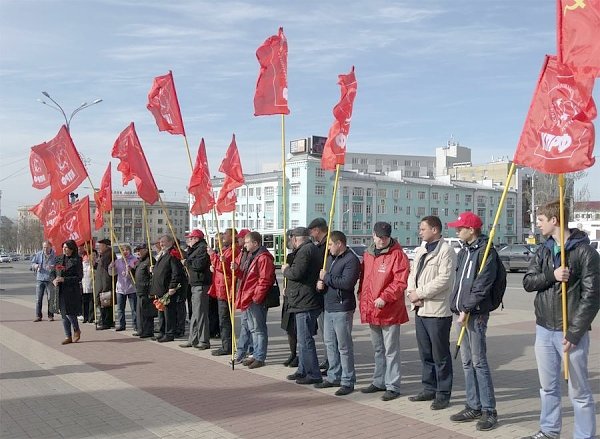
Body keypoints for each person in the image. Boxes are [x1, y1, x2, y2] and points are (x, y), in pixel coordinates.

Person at [522, 201, 599, 439]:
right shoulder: (544, 249)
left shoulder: (585, 252)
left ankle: (583, 435)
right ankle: (549, 430)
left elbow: (593, 295)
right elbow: (528, 282)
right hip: (544, 328)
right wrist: (552, 275)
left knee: (578, 390)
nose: (537, 224)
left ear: (554, 220)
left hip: (570, 332)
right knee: (548, 387)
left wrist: (575, 331)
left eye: (541, 220)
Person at [448, 211, 499, 431]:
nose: (457, 231)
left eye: (460, 228)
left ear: (471, 229)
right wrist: (457, 307)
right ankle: (473, 405)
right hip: (461, 313)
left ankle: (489, 410)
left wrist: (467, 308)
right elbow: (460, 282)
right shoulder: (464, 252)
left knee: (479, 362)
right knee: (467, 362)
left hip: (475, 314)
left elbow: (482, 284)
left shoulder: (486, 252)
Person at [406, 216, 457, 410]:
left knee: (440, 354)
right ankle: (429, 388)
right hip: (420, 309)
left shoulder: (446, 251)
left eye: (423, 229)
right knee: (425, 352)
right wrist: (411, 293)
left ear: (435, 230)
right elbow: (413, 274)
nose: (420, 232)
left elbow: (444, 280)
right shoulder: (421, 250)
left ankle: (443, 393)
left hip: (437, 310)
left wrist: (419, 293)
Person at [359, 221, 410, 401]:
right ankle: (379, 381)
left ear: (389, 237)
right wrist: (362, 298)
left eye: (385, 237)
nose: (381, 240)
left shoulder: (398, 255)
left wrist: (385, 297)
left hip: (388, 310)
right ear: (373, 235)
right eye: (379, 237)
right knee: (378, 349)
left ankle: (393, 385)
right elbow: (364, 280)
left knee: (391, 350)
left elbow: (400, 282)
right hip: (372, 309)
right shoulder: (368, 254)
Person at [315, 231, 360, 396]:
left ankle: (348, 380)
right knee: (330, 344)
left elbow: (347, 283)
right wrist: (320, 283)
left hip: (342, 307)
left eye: (330, 245)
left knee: (344, 346)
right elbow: (325, 278)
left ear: (339, 243)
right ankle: (334, 375)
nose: (328, 248)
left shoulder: (351, 260)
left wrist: (326, 278)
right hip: (329, 307)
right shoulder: (330, 259)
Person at [282, 227, 323, 385]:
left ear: (295, 238)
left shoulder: (305, 251)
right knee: (302, 339)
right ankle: (303, 369)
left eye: (291, 239)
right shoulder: (308, 249)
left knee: (305, 340)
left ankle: (313, 373)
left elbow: (296, 273)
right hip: (303, 299)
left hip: (305, 301)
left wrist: (286, 270)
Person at [233, 231, 275, 369]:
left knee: (259, 329)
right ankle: (256, 354)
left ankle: (260, 356)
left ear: (255, 243)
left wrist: (256, 297)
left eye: (246, 242)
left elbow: (265, 280)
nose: (244, 245)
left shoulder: (263, 258)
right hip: (248, 297)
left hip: (255, 298)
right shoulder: (251, 256)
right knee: (253, 328)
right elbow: (245, 276)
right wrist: (237, 270)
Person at [207, 228, 240, 356]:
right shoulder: (227, 249)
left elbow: (224, 267)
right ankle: (226, 345)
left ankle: (227, 346)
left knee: (225, 319)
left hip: (227, 288)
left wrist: (212, 256)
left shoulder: (233, 250)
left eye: (226, 234)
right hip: (221, 287)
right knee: (223, 319)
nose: (223, 237)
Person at [180, 229, 212, 350]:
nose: (189, 240)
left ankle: (204, 340)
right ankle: (193, 339)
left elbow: (198, 265)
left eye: (191, 238)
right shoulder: (195, 249)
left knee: (201, 313)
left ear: (196, 238)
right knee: (194, 313)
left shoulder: (202, 249)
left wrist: (187, 262)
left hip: (201, 284)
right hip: (195, 283)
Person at [151, 235, 186, 342]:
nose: (161, 244)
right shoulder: (163, 254)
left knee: (169, 313)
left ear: (170, 242)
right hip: (161, 289)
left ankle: (169, 333)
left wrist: (172, 286)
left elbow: (176, 273)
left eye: (163, 242)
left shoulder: (172, 254)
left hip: (168, 289)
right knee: (161, 312)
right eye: (160, 242)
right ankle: (162, 332)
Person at [308, 217, 329, 373]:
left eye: (312, 231)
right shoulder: (319, 246)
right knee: (325, 332)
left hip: (327, 294)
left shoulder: (327, 245)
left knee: (329, 334)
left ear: (317, 230)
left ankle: (331, 362)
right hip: (320, 293)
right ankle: (329, 360)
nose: (311, 234)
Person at [52, 240, 84, 345]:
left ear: (72, 249)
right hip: (60, 290)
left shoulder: (77, 260)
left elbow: (79, 277)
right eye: (63, 247)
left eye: (66, 247)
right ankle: (68, 336)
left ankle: (76, 329)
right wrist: (53, 279)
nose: (64, 249)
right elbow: (52, 272)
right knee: (63, 314)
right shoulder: (59, 258)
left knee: (70, 313)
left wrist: (64, 279)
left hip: (71, 291)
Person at [232, 229, 255, 362]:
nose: (239, 241)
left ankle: (249, 351)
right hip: (242, 292)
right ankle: (243, 351)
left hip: (249, 294)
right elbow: (242, 273)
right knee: (246, 325)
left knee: (251, 326)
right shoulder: (243, 253)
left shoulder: (251, 255)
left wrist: (255, 296)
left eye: (241, 239)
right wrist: (236, 268)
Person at [280, 229, 298, 367]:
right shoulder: (290, 256)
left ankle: (298, 355)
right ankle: (292, 353)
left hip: (298, 297)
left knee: (297, 329)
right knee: (289, 328)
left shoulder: (301, 254)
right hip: (289, 296)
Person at [109, 245, 138, 331]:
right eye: (123, 250)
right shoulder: (118, 261)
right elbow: (112, 274)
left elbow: (135, 274)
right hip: (120, 288)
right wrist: (111, 267)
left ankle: (135, 325)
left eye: (126, 250)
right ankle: (122, 324)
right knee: (120, 308)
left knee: (134, 308)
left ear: (130, 251)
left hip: (131, 287)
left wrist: (130, 270)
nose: (125, 252)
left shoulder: (134, 260)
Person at [133, 244, 155, 338]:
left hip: (146, 290)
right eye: (137, 251)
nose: (138, 252)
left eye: (140, 250)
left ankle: (148, 331)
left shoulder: (150, 260)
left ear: (146, 250)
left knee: (147, 312)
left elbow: (152, 277)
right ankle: (141, 329)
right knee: (140, 312)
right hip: (139, 290)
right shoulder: (139, 261)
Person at [31, 240, 57, 322]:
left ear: (51, 247)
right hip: (40, 279)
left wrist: (53, 267)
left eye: (47, 247)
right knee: (38, 298)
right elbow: (32, 264)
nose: (45, 249)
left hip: (50, 279)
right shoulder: (39, 254)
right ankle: (38, 315)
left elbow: (58, 266)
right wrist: (36, 266)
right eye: (44, 247)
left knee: (50, 298)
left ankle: (50, 315)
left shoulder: (54, 255)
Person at [95, 239, 115, 330]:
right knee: (105, 303)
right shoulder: (103, 255)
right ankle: (107, 321)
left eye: (100, 246)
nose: (99, 248)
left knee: (105, 302)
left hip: (105, 283)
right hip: (102, 282)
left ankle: (106, 322)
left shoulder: (108, 254)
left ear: (106, 246)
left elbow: (107, 269)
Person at [81, 248, 97, 324]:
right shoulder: (82, 264)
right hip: (84, 286)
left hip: (92, 286)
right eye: (92, 255)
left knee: (91, 302)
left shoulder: (94, 265)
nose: (93, 256)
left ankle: (91, 317)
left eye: (94, 255)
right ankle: (85, 317)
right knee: (84, 303)